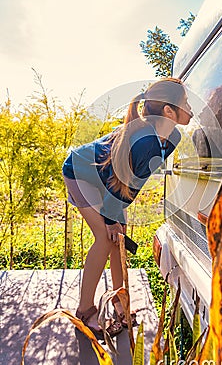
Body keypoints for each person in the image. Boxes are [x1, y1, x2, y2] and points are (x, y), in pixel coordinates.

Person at [62, 78, 193, 336]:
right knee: (105, 238)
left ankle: (119, 299)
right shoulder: (144, 141)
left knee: (118, 238)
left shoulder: (172, 137)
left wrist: (117, 217)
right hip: (81, 172)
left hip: (110, 180)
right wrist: (111, 218)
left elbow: (132, 179)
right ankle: (85, 310)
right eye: (186, 103)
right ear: (169, 111)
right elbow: (122, 178)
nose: (191, 108)